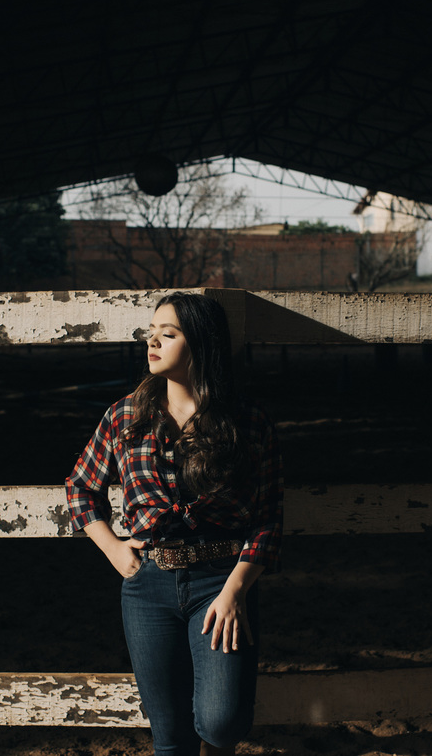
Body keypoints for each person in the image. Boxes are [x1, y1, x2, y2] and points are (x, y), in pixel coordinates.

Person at [66, 292, 284, 756]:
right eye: (151, 333)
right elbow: (80, 488)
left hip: (220, 584)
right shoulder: (125, 415)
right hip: (147, 587)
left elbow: (268, 519)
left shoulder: (248, 421)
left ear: (202, 344)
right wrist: (114, 549)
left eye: (168, 334)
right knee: (170, 738)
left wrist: (235, 591)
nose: (152, 342)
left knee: (221, 724)